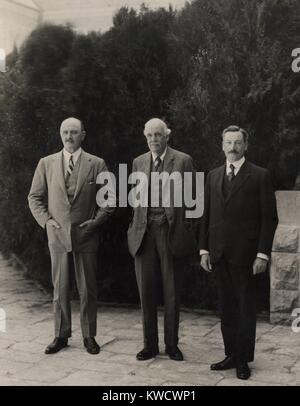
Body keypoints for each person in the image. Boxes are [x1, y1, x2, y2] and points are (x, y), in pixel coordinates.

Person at [28, 117, 115, 355]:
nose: (69, 136)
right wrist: (46, 221)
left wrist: (96, 222)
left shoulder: (96, 164)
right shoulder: (46, 163)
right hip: (57, 236)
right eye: (65, 132)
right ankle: (61, 335)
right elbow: (34, 197)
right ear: (60, 134)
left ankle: (89, 336)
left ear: (83, 135)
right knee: (60, 288)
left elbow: (109, 198)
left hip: (86, 236)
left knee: (88, 289)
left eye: (74, 132)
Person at [199, 125, 278, 380]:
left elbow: (269, 219)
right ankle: (231, 354)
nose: (232, 147)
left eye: (237, 143)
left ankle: (244, 360)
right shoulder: (212, 175)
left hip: (246, 256)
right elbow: (206, 215)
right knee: (226, 309)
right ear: (222, 145)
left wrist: (262, 255)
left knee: (245, 308)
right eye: (228, 142)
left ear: (245, 145)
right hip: (219, 253)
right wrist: (203, 249)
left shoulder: (259, 176)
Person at [128, 118, 198, 362]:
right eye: (149, 135)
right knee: (146, 292)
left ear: (167, 136)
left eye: (158, 135)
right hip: (144, 235)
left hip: (171, 233)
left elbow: (194, 201)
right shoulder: (138, 162)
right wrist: (135, 225)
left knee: (171, 292)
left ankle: (171, 345)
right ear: (145, 137)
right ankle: (149, 345)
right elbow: (135, 201)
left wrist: (185, 229)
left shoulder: (182, 161)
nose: (153, 140)